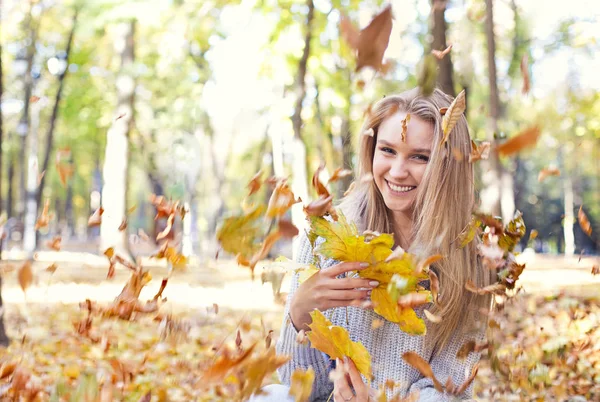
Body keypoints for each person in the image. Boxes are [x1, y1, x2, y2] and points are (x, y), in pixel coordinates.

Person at [250, 88, 495, 402]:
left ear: (448, 166)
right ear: (371, 150)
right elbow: (300, 387)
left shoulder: (472, 263)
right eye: (388, 150)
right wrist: (298, 314)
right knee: (269, 396)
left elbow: (450, 390)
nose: (397, 171)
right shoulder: (330, 233)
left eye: (420, 157)